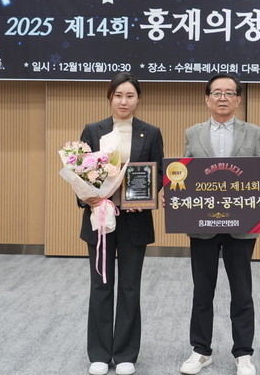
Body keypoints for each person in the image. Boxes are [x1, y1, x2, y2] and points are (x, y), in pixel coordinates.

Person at [178, 73, 260, 375]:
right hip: (201, 224)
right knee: (202, 290)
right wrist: (175, 195)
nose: (223, 98)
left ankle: (243, 353)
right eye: (217, 92)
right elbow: (184, 174)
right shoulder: (193, 133)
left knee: (242, 291)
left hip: (242, 224)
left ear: (238, 99)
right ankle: (200, 351)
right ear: (207, 99)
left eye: (229, 93)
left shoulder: (254, 132)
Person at [78, 73, 164, 375]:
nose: (123, 101)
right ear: (110, 98)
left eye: (130, 95)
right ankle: (100, 353)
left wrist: (145, 197)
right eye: (118, 95)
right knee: (101, 285)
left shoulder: (150, 133)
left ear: (138, 99)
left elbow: (157, 175)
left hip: (135, 221)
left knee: (129, 286)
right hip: (100, 218)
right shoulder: (93, 130)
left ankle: (126, 353)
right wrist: (88, 197)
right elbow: (80, 171)